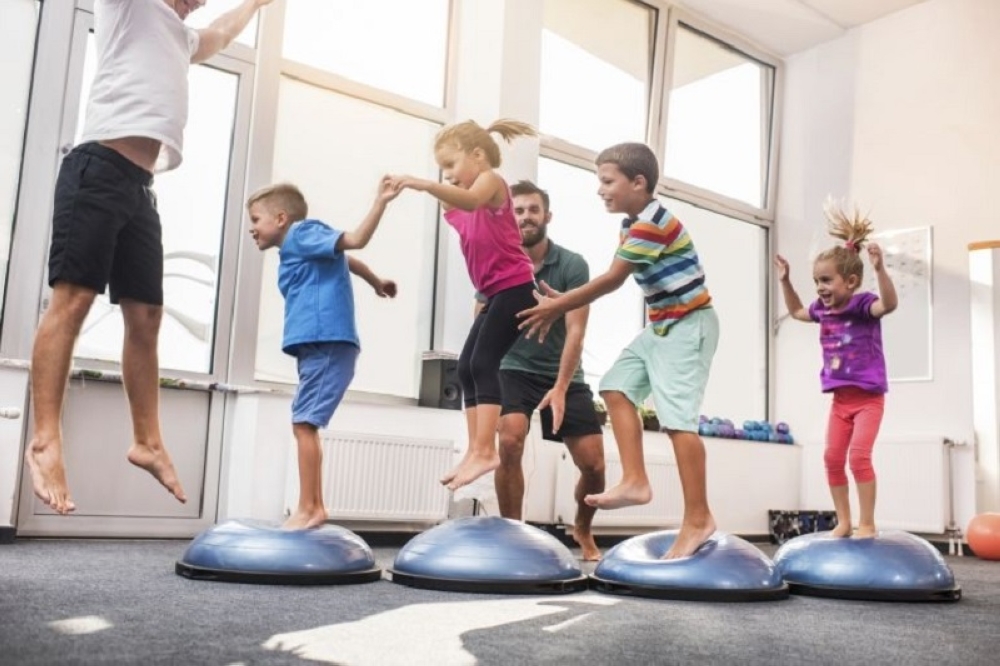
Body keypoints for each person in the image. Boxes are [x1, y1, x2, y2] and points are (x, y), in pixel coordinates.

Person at [26, 0, 274, 515]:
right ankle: (46, 441)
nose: (198, 3)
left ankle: (148, 441)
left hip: (140, 187)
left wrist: (254, 3)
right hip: (97, 170)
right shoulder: (130, 8)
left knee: (147, 316)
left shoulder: (181, 37)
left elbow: (221, 33)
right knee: (73, 301)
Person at [518, 142, 719, 559]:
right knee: (615, 387)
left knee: (678, 422)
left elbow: (612, 279)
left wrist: (559, 304)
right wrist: (564, 301)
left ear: (638, 182)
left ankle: (699, 518)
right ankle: (635, 480)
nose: (600, 190)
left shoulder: (652, 224)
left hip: (689, 324)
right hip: (663, 324)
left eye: (608, 181)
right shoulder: (631, 225)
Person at [389, 119, 537, 492]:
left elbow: (470, 197)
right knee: (467, 367)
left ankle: (486, 450)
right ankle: (476, 450)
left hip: (516, 286)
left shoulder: (492, 181)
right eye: (442, 169)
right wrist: (444, 179)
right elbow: (456, 200)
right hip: (493, 293)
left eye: (451, 164)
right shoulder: (461, 204)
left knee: (484, 363)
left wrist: (422, 182)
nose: (448, 174)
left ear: (478, 155)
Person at [247, 181, 399, 529]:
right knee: (304, 423)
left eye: (256, 219)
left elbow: (354, 241)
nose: (252, 228)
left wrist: (380, 201)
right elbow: (348, 260)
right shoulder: (299, 247)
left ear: (281, 218)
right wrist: (376, 281)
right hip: (317, 345)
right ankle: (312, 506)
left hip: (327, 341)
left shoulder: (302, 233)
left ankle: (311, 508)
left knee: (304, 424)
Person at [478, 180, 605, 561]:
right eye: (517, 211)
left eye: (533, 209)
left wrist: (562, 387)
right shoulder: (497, 262)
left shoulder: (572, 265)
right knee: (511, 440)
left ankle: (582, 527)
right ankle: (513, 532)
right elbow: (480, 327)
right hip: (512, 367)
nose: (525, 217)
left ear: (547, 215)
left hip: (561, 371)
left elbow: (576, 331)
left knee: (594, 465)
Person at [774, 201, 897, 538]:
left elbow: (889, 304)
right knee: (831, 458)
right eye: (817, 281)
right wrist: (786, 281)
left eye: (826, 280)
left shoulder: (862, 305)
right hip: (840, 402)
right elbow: (797, 311)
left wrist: (880, 270)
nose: (820, 287)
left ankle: (867, 522)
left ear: (851, 281)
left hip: (868, 400)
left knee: (859, 458)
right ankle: (843, 520)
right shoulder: (822, 310)